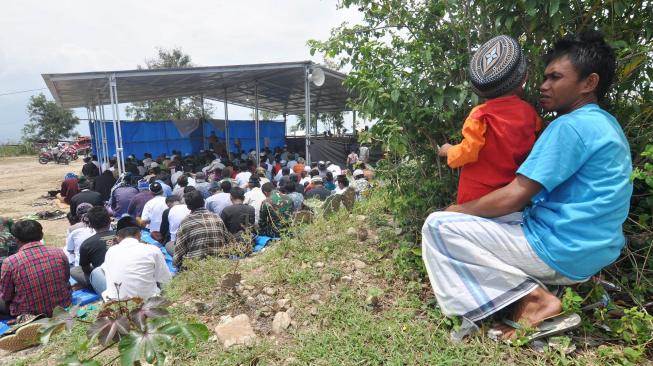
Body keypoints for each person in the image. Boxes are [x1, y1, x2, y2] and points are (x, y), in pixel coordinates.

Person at [422, 31, 633, 340]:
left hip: (562, 248)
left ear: (589, 83)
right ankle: (532, 290)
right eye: (544, 77)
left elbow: (514, 195)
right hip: (593, 247)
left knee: (439, 226)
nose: (544, 86)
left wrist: (456, 209)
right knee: (486, 218)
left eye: (555, 78)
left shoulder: (570, 126)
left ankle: (535, 300)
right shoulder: (604, 123)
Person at [438, 35, 541, 204]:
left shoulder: (481, 115)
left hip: (475, 199)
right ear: (525, 77)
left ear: (480, 90)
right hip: (508, 200)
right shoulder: (530, 114)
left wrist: (448, 150)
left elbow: (468, 152)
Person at [0, 220, 71, 317]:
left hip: (30, 315)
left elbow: (6, 296)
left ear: (16, 239)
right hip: (62, 306)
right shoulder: (59, 252)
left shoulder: (10, 262)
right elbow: (66, 279)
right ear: (42, 235)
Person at [102, 225, 171, 301]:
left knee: (97, 272)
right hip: (148, 302)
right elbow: (166, 280)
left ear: (118, 238)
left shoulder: (111, 251)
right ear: (139, 235)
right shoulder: (152, 249)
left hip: (117, 304)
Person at [173, 190, 229, 269]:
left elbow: (178, 255)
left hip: (196, 267)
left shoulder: (185, 222)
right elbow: (228, 240)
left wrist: (177, 264)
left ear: (188, 207)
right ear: (203, 202)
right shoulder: (216, 217)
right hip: (219, 262)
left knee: (169, 245)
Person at [72, 207, 114, 294]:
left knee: (74, 270)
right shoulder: (121, 235)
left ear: (90, 224)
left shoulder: (87, 244)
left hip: (105, 282)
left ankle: (94, 285)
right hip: (126, 275)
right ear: (110, 220)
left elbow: (86, 269)